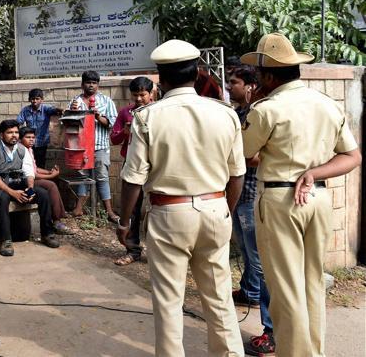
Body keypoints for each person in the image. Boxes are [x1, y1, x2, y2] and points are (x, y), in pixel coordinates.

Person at [118, 39, 246, 357]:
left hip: (169, 213)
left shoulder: (148, 117)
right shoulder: (226, 114)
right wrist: (224, 210)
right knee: (219, 298)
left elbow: (133, 179)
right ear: (197, 73)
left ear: (161, 79)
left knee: (169, 301)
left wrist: (124, 221)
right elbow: (238, 174)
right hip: (216, 208)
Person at [240, 33, 361, 357]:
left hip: (280, 201)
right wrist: (313, 172)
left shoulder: (266, 109)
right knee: (311, 284)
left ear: (267, 76)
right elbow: (352, 156)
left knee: (284, 288)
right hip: (317, 199)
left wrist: (269, 154)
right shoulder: (326, 104)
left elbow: (244, 154)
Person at [224, 64, 275, 355]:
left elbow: (255, 156)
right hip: (241, 192)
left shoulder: (261, 114)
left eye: (234, 82)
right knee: (246, 250)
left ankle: (271, 330)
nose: (229, 87)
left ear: (251, 86)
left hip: (254, 194)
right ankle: (249, 292)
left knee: (259, 262)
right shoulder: (240, 113)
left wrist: (235, 156)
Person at [0, 120, 59, 256]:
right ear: (2, 135)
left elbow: (29, 172)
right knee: (1, 197)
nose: (14, 135)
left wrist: (30, 189)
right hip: (1, 185)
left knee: (42, 194)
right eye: (9, 133)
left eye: (16, 132)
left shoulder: (22, 149)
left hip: (19, 183)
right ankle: (5, 239)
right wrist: (13, 193)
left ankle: (47, 233)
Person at [110, 76, 153, 266]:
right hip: (133, 162)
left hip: (155, 164)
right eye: (135, 95)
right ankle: (133, 249)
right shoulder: (125, 113)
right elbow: (114, 138)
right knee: (133, 207)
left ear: (151, 93)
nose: (139, 99)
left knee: (155, 208)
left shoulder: (158, 112)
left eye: (142, 95)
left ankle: (157, 251)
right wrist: (125, 132)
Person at [68, 70, 118, 221]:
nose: (91, 85)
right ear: (82, 84)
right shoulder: (75, 101)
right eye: (88, 82)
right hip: (81, 148)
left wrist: (98, 116)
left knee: (102, 177)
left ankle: (109, 212)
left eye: (94, 83)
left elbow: (112, 124)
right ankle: (78, 209)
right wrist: (74, 112)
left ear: (98, 85)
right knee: (83, 177)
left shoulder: (106, 101)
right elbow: (69, 123)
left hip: (100, 146)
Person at [19, 127, 73, 235]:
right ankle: (57, 221)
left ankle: (57, 217)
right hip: (25, 181)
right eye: (28, 137)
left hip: (32, 178)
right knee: (51, 185)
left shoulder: (29, 149)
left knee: (52, 183)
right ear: (20, 139)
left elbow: (35, 168)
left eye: (33, 137)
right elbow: (32, 174)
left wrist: (49, 172)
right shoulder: (22, 150)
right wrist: (51, 176)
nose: (31, 140)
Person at [16, 88, 63, 168]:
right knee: (29, 162)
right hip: (29, 142)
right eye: (32, 99)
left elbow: (53, 110)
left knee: (41, 163)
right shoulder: (25, 110)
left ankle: (41, 178)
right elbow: (18, 122)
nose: (35, 101)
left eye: (37, 99)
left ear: (42, 100)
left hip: (42, 142)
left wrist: (59, 110)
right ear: (29, 99)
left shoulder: (45, 109)